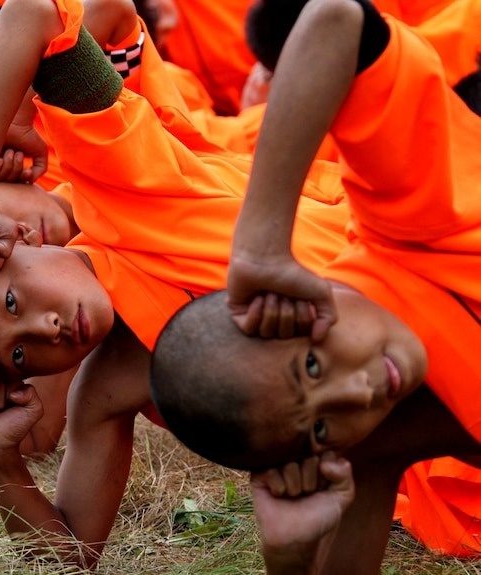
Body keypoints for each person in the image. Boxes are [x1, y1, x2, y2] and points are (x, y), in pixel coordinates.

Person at [0, 0, 351, 567]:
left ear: (15, 243)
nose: (49, 329)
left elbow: (38, 9)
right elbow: (72, 559)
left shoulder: (119, 183)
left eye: (12, 302)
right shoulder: (108, 387)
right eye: (17, 355)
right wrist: (1, 463)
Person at [149, 0, 481, 569]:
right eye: (323, 425)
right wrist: (290, 553)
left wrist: (260, 241)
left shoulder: (409, 224)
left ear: (293, 308)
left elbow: (333, 18)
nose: (358, 392)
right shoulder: (379, 439)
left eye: (310, 367)